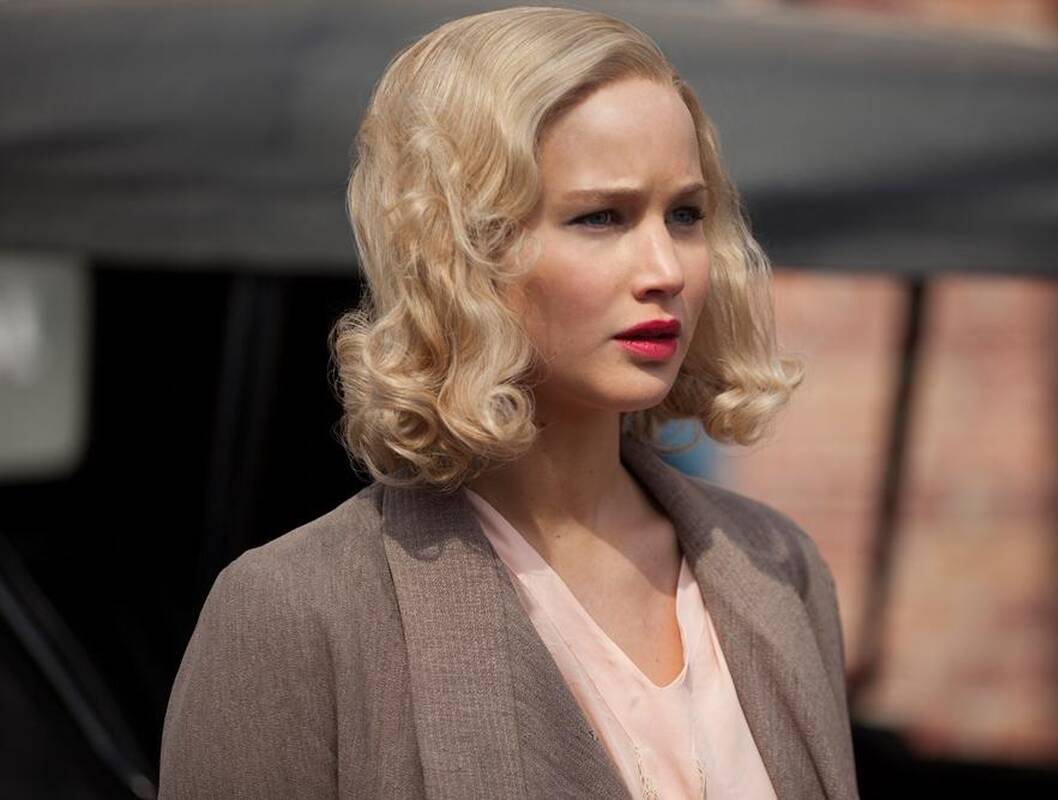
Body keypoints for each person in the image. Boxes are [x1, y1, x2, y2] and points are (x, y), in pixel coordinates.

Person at [158, 6, 858, 799]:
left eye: (685, 215)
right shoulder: (299, 611)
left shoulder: (774, 567)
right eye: (600, 217)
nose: (665, 268)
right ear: (459, 249)